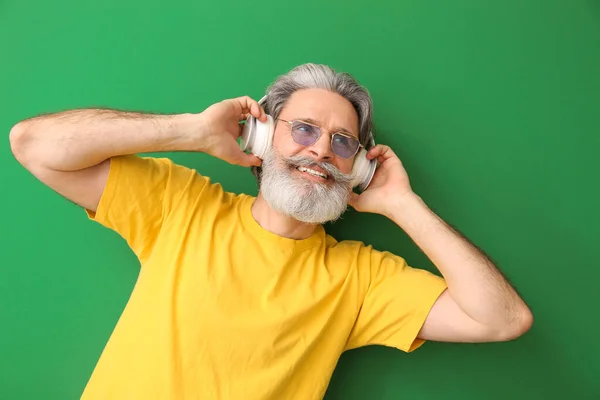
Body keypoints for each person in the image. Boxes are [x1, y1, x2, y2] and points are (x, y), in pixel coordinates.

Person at [9, 63, 533, 400]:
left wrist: (402, 203)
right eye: (303, 129)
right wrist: (190, 131)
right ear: (261, 138)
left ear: (357, 168)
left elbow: (503, 319)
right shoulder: (182, 206)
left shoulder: (361, 278)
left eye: (342, 142)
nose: (321, 150)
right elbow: (33, 144)